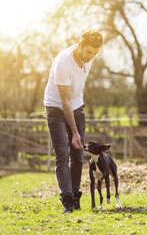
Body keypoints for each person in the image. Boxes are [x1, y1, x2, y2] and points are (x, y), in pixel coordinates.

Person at [44, 30, 103, 214]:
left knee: (78, 153)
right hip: (55, 107)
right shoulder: (63, 63)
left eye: (94, 53)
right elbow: (65, 101)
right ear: (79, 45)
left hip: (76, 106)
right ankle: (67, 200)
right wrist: (75, 132)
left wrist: (80, 104)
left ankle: (76, 196)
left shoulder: (89, 58)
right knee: (62, 154)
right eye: (88, 52)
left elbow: (78, 88)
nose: (91, 57)